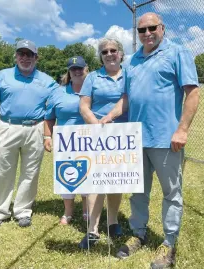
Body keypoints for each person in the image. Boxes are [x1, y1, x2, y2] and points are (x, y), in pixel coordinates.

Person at [100, 13, 200, 268]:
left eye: (151, 28)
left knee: (171, 193)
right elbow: (127, 98)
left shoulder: (178, 53)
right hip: (136, 140)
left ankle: (169, 243)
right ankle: (138, 234)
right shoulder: (132, 61)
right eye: (141, 30)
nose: (146, 33)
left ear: (162, 28)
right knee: (138, 192)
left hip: (167, 139)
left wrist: (182, 130)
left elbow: (192, 92)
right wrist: (109, 116)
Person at [0, 39, 59, 229]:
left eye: (29, 54)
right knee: (3, 171)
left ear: (36, 58)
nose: (25, 58)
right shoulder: (2, 76)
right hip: (8, 127)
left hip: (36, 129)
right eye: (21, 54)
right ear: (16, 56)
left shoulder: (47, 81)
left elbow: (60, 103)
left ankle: (23, 211)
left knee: (30, 172)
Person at [78, 38, 127, 249]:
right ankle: (93, 230)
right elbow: (84, 106)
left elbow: (128, 99)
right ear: (101, 56)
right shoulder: (92, 78)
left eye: (113, 50)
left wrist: (110, 118)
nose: (109, 54)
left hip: (123, 135)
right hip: (96, 134)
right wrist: (96, 123)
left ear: (121, 53)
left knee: (116, 179)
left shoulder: (129, 74)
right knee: (95, 181)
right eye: (105, 51)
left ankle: (113, 221)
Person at [43, 56, 89, 225]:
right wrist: (47, 136)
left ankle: (86, 210)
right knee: (66, 175)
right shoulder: (58, 92)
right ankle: (68, 212)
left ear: (86, 69)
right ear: (69, 72)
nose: (77, 71)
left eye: (80, 68)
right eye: (73, 68)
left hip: (89, 141)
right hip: (65, 143)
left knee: (88, 175)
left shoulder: (94, 89)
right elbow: (49, 117)